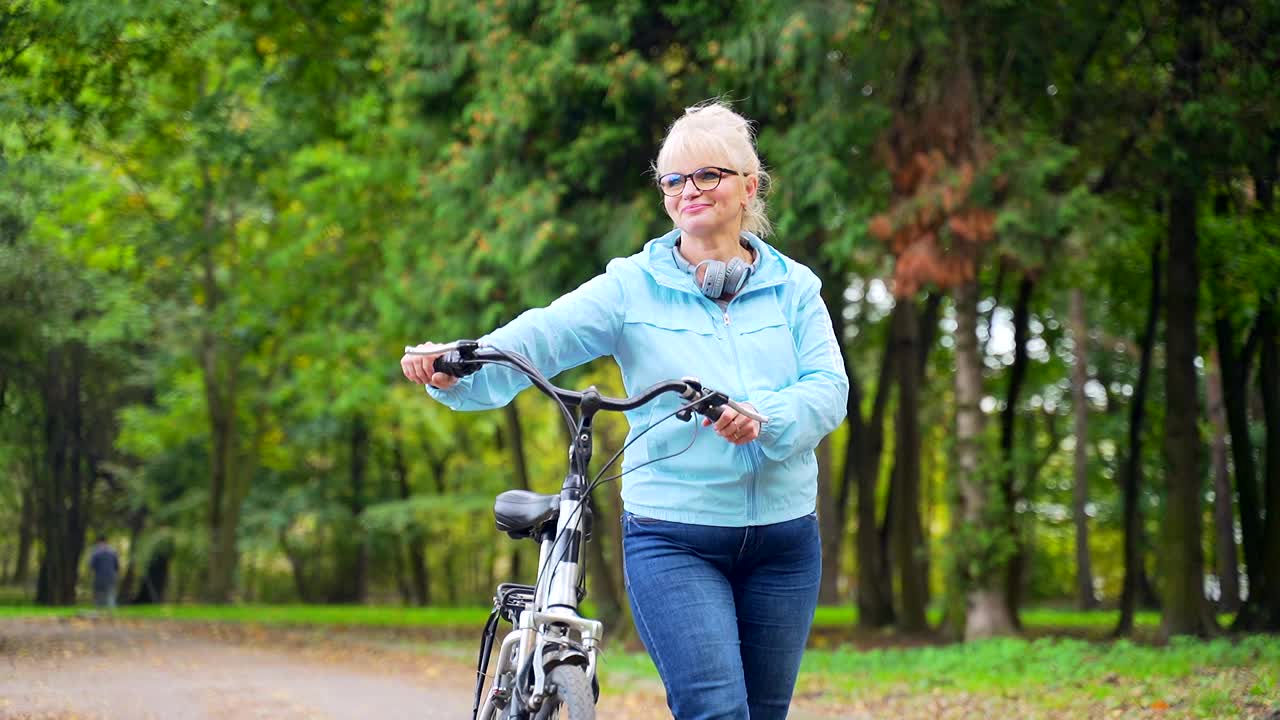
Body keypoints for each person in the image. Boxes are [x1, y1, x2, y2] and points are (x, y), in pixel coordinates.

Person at [401, 101, 848, 719]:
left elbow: (828, 386)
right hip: (673, 537)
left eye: (707, 175)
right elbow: (540, 337)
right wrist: (457, 366)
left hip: (785, 540)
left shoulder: (795, 287)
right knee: (717, 711)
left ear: (749, 186)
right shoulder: (631, 286)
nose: (688, 191)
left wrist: (765, 416)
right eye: (673, 179)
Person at [88, 535, 120, 610]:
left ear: (98, 542)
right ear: (107, 542)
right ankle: (112, 612)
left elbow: (92, 565)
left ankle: (100, 612)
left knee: (99, 595)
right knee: (111, 595)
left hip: (99, 577)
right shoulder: (113, 552)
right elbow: (117, 566)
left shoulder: (96, 552)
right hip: (111, 576)